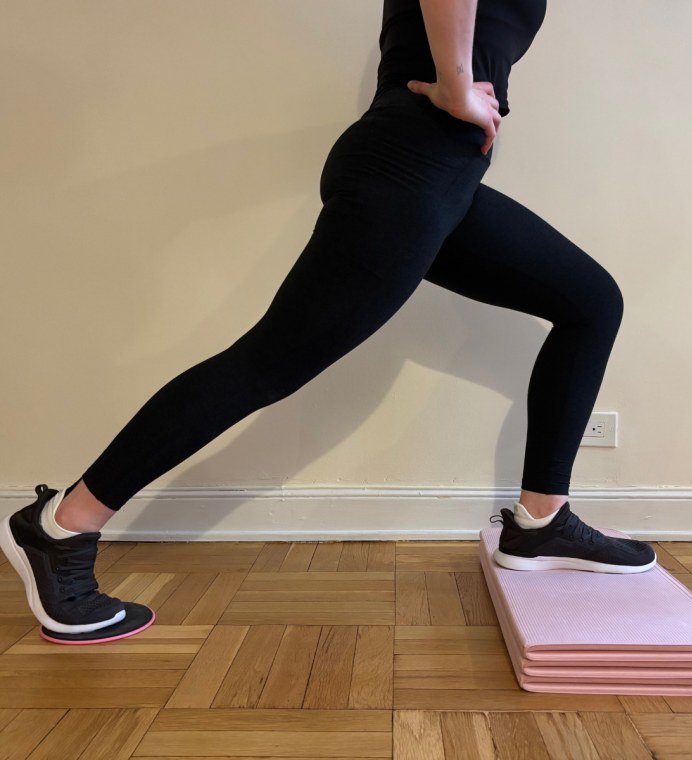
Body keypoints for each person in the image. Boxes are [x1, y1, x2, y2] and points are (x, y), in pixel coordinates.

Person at [0, 0, 656, 639]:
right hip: (413, 160)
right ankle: (61, 526)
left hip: (434, 170)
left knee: (591, 302)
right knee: (264, 365)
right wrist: (458, 86)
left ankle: (542, 519)